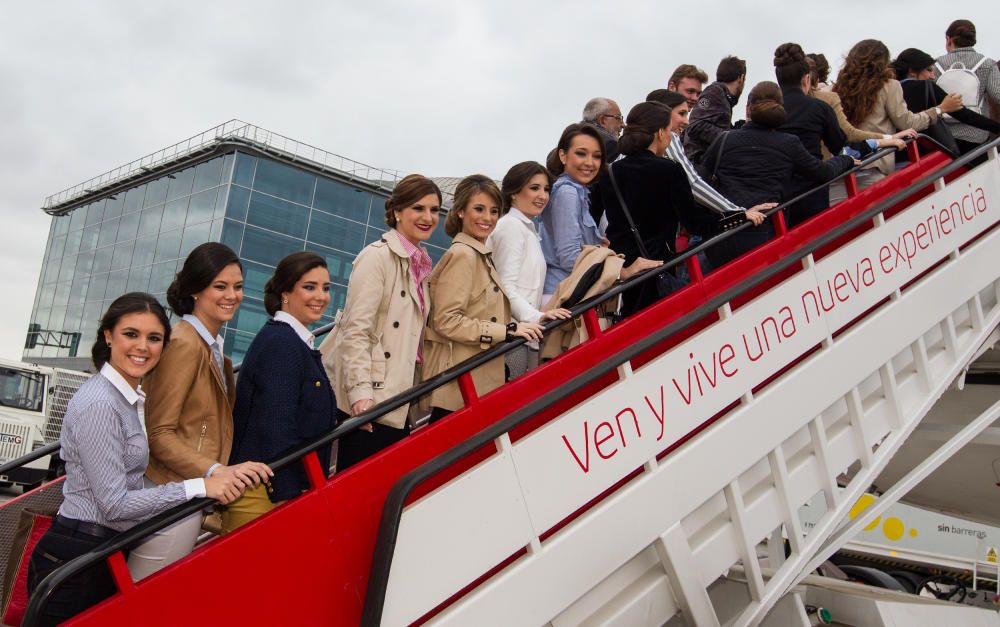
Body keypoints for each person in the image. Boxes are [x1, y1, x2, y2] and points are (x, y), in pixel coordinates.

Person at [27, 293, 248, 626]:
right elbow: (114, 505)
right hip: (76, 555)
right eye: (131, 334)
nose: (142, 346)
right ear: (108, 336)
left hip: (99, 551)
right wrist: (199, 486)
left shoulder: (126, 398)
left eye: (154, 338)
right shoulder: (101, 404)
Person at [131, 243, 270, 579]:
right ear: (195, 290)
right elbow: (159, 433)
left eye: (237, 287)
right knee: (142, 604)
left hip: (188, 493)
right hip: (169, 492)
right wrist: (216, 470)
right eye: (219, 286)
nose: (232, 296)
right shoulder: (184, 344)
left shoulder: (211, 349)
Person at [594, 102, 764, 317]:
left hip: (625, 273)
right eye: (669, 130)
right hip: (659, 266)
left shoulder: (610, 173)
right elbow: (695, 223)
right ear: (659, 133)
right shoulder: (669, 170)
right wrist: (739, 216)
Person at [321, 175, 442, 470]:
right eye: (418, 208)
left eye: (435, 210)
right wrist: (361, 397)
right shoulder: (376, 258)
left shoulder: (420, 263)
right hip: (373, 400)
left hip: (400, 395)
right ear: (397, 211)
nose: (428, 217)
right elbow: (356, 331)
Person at [223, 252, 336, 532]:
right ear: (286, 292)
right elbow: (276, 426)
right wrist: (288, 494)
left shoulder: (295, 341)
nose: (320, 296)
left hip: (272, 491)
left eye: (326, 288)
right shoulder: (281, 344)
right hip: (264, 495)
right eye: (309, 287)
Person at [424, 175, 544, 422]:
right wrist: (507, 330)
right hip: (460, 388)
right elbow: (446, 321)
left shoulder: (479, 255)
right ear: (460, 212)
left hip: (474, 381)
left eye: (493, 211)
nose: (488, 218)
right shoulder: (463, 256)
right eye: (479, 209)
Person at [701, 82, 856, 266]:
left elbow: (701, 181)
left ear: (748, 109)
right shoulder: (788, 143)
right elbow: (824, 172)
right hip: (763, 233)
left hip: (722, 237)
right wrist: (847, 160)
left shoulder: (725, 139)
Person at [834, 39, 961, 189]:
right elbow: (907, 123)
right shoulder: (889, 86)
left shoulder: (836, 89)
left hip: (844, 168)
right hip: (876, 163)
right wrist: (940, 109)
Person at [648, 89, 773, 237]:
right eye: (681, 113)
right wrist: (738, 212)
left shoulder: (631, 146)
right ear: (663, 114)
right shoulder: (670, 139)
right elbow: (692, 182)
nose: (687, 122)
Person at [488, 162, 572, 378]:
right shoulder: (511, 227)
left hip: (523, 335)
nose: (542, 195)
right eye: (534, 188)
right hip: (512, 336)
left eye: (546, 189)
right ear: (514, 192)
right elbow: (505, 286)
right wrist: (538, 316)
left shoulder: (527, 229)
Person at [774, 42, 850, 225]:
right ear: (806, 79)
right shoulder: (819, 108)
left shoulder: (770, 112)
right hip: (813, 192)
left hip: (778, 198)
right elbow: (838, 144)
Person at [540, 123, 608, 299]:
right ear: (563, 155)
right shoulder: (567, 192)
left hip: (570, 291)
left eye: (597, 156)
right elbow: (569, 256)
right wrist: (617, 271)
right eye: (581, 153)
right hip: (563, 295)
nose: (589, 163)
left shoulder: (577, 191)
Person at [893, 48, 1000, 148]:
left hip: (896, 152)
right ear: (912, 71)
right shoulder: (924, 86)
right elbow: (963, 114)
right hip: (926, 149)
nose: (933, 76)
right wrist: (996, 127)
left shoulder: (889, 90)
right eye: (929, 70)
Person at [935, 19, 1000, 152]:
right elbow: (997, 95)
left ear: (949, 39)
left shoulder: (934, 65)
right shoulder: (987, 64)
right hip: (977, 135)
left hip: (942, 136)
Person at [683, 55, 747, 165]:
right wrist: (731, 137)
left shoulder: (723, 97)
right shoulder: (714, 93)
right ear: (741, 78)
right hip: (699, 163)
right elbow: (696, 125)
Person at [581, 97, 624, 162]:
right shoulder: (610, 145)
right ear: (603, 120)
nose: (623, 125)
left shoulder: (571, 135)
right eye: (618, 118)